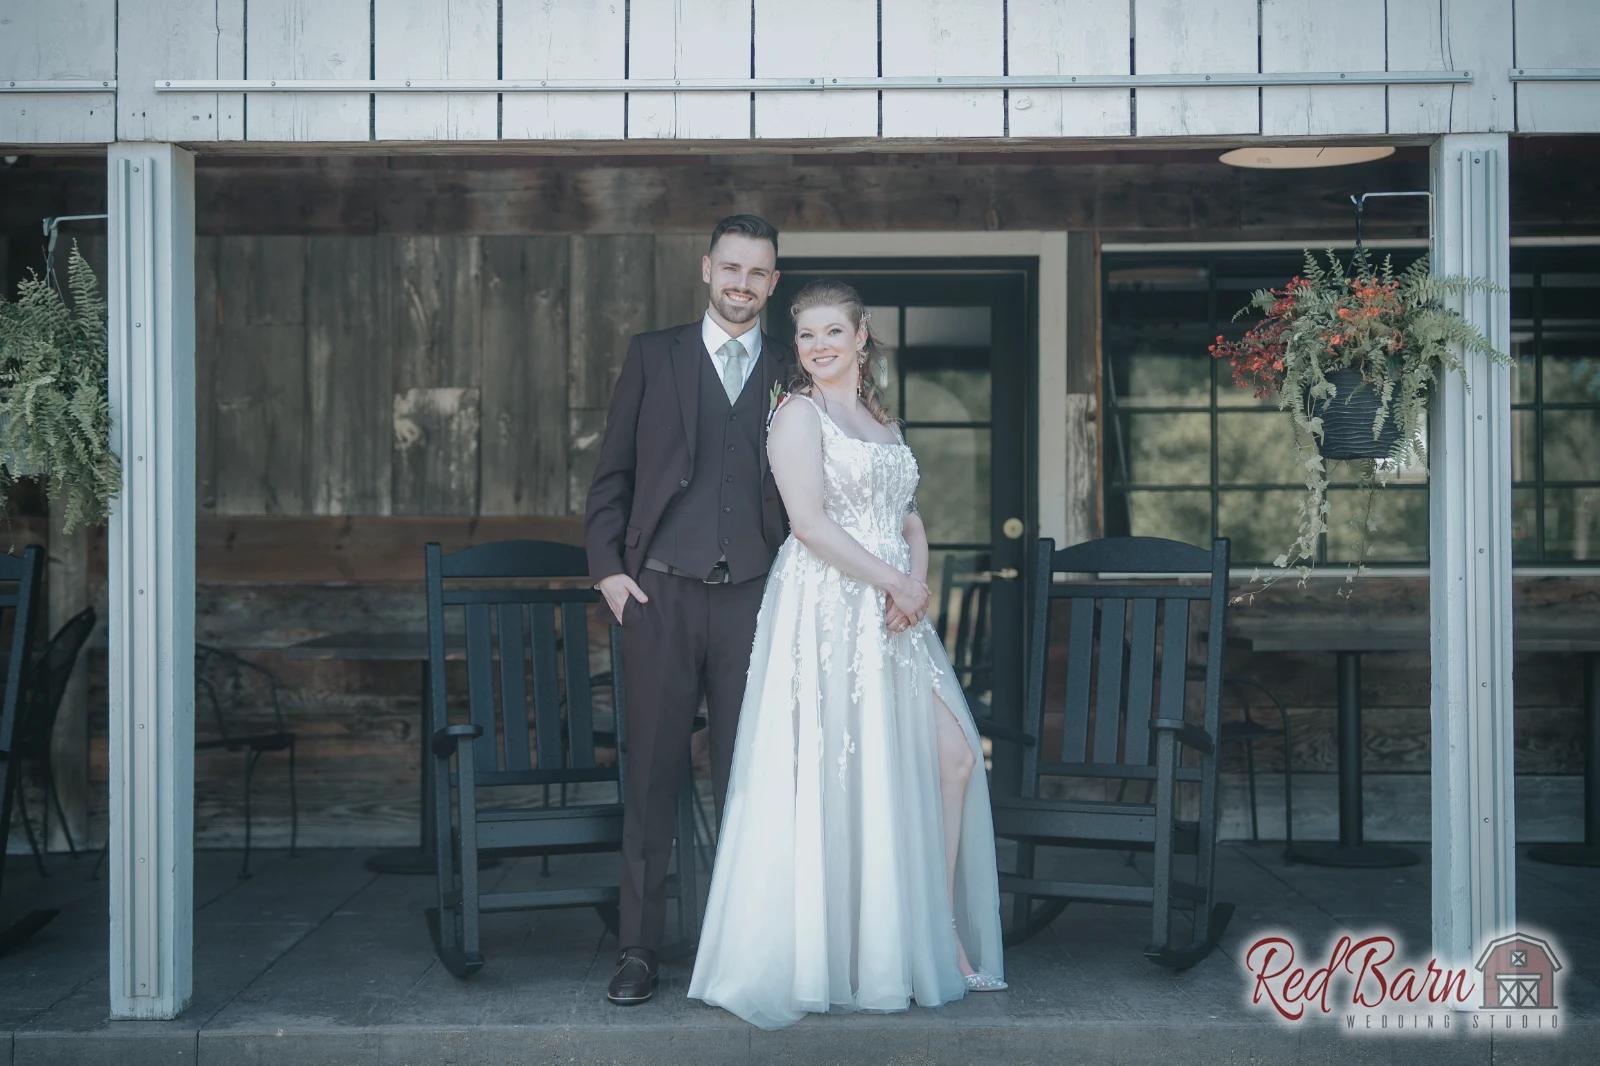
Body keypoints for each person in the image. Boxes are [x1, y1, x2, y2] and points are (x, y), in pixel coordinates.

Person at [687, 279, 1005, 1030]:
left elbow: (909, 517)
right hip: (829, 607)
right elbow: (809, 525)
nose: (820, 346)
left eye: (834, 332)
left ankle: (927, 927)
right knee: (841, 772)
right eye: (806, 336)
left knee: (952, 758)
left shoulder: (877, 418)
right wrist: (894, 579)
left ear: (863, 338)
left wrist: (913, 583)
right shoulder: (796, 416)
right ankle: (837, 948)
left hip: (895, 610)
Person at [584, 214, 788, 1006]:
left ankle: (741, 948)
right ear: (707, 268)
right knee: (655, 777)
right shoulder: (653, 355)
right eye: (730, 267)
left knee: (749, 779)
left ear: (773, 283)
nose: (742, 283)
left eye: (757, 273)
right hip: (660, 594)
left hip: (755, 603)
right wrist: (608, 573)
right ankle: (637, 950)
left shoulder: (788, 366)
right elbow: (613, 477)